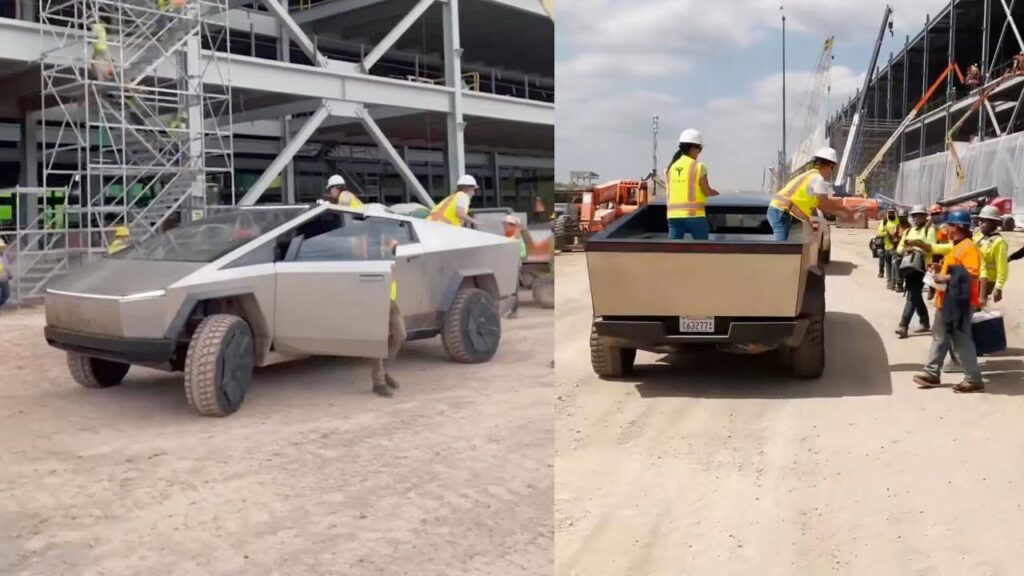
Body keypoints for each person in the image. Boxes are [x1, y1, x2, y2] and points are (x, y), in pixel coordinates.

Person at [907, 209, 985, 393]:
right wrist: (940, 267)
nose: (946, 229)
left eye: (949, 225)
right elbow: (956, 268)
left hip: (960, 302)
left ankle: (974, 380)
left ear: (957, 227)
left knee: (961, 340)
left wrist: (947, 278)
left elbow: (972, 272)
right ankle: (931, 373)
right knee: (940, 338)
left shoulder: (969, 247)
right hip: (948, 301)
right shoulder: (956, 246)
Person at [768, 146, 861, 241]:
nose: (832, 172)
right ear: (830, 166)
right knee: (780, 246)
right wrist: (847, 210)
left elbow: (822, 204)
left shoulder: (811, 175)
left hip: (784, 210)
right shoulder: (817, 179)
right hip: (782, 210)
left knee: (790, 245)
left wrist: (844, 211)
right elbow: (824, 205)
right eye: (833, 169)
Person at [665, 129, 719, 240]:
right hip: (694, 216)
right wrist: (713, 193)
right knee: (702, 250)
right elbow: (706, 190)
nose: (700, 152)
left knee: (673, 251)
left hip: (673, 216)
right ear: (693, 148)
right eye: (700, 148)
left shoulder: (671, 167)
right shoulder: (698, 166)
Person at [371, 238, 406, 398]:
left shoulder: (389, 246)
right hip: (376, 297)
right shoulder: (372, 247)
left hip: (390, 300)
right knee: (379, 340)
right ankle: (378, 382)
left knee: (400, 335)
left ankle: (384, 371)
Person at [894, 205, 935, 338]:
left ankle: (903, 325)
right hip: (909, 267)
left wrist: (917, 248)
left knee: (912, 295)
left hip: (923, 268)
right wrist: (906, 249)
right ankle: (924, 322)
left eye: (920, 215)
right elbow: (899, 248)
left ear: (925, 216)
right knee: (915, 294)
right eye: (915, 215)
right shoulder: (908, 232)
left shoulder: (929, 230)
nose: (917, 218)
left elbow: (932, 248)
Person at [974, 205, 1009, 304]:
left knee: (976, 308)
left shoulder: (998, 242)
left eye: (984, 221)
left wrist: (998, 287)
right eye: (980, 221)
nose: (980, 224)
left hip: (988, 281)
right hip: (975, 277)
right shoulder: (979, 237)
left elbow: (1002, 267)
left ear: (994, 223)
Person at [503, 214, 528, 319]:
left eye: (505, 224)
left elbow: (511, 243)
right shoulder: (511, 233)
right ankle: (512, 310)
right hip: (513, 263)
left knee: (514, 289)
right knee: (513, 288)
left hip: (515, 263)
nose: (504, 226)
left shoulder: (514, 234)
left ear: (511, 224)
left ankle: (514, 311)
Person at [876, 209, 900, 282]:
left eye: (893, 213)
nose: (891, 214)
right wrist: (888, 233)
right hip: (886, 246)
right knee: (886, 263)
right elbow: (879, 233)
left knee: (895, 265)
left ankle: (895, 281)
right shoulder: (884, 222)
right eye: (889, 213)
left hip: (896, 247)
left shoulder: (898, 221)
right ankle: (888, 279)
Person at [0, 239, 11, 311]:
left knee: (6, 295)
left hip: (3, 278)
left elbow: (6, 266)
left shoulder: (3, 256)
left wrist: (9, 274)